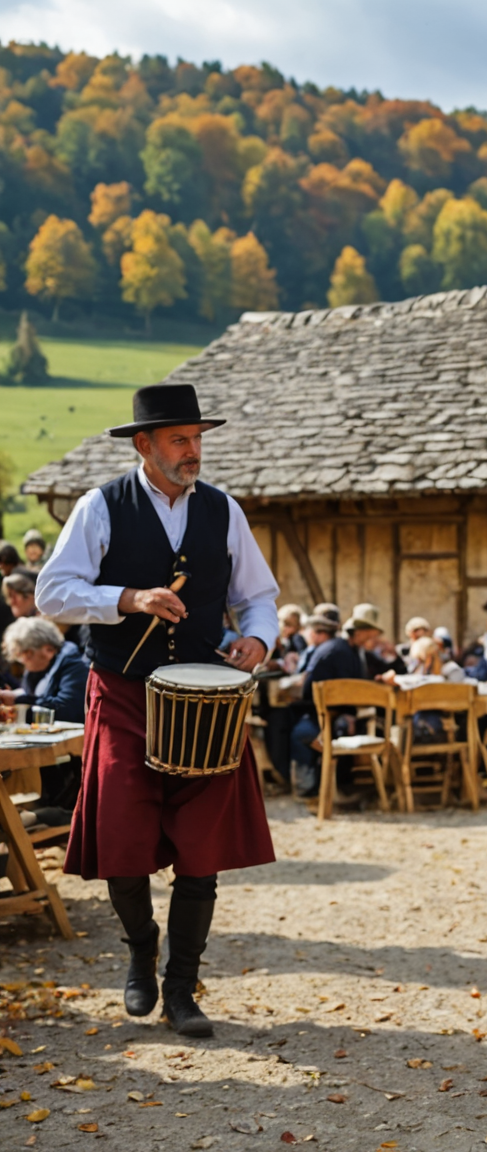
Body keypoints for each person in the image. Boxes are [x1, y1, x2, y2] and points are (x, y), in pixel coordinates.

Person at [34, 382, 279, 1039]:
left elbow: (258, 596)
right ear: (144, 445)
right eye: (179, 439)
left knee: (202, 849)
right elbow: (52, 593)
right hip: (122, 693)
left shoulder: (224, 511)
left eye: (197, 438)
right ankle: (141, 949)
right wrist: (129, 598)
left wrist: (259, 636)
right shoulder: (100, 506)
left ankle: (180, 986)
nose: (193, 450)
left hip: (206, 701)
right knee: (123, 844)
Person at [1, 617, 85, 829]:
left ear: (47, 649)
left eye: (25, 654)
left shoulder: (74, 664)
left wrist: (20, 701)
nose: (21, 660)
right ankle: (36, 813)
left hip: (72, 751)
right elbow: (39, 697)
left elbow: (67, 709)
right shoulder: (39, 669)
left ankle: (54, 814)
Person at [288, 611, 370, 802]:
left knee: (301, 733)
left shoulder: (330, 650)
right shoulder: (343, 649)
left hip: (328, 716)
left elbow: (309, 689)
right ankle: (325, 788)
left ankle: (308, 791)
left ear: (319, 633)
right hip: (338, 713)